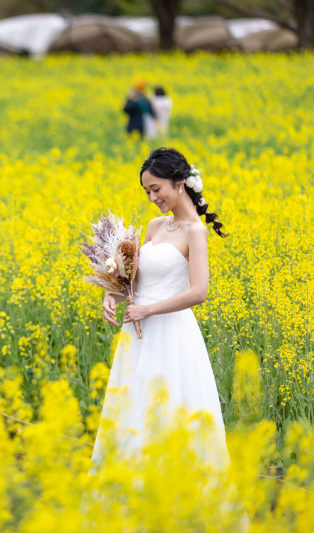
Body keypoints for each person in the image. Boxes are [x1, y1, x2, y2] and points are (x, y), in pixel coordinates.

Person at [93, 147, 229, 469]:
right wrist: (113, 294)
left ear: (179, 182)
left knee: (169, 405)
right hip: (138, 334)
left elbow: (199, 292)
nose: (152, 197)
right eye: (147, 191)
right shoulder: (154, 226)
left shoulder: (195, 232)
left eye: (156, 189)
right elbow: (138, 284)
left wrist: (148, 311)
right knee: (133, 405)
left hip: (171, 333)